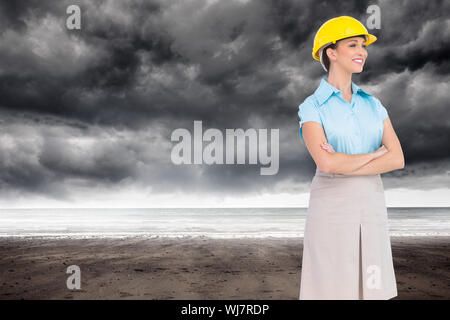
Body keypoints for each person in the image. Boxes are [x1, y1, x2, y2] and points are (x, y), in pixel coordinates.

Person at [297, 16, 405, 300]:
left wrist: (347, 162)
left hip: (371, 205)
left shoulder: (374, 104)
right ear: (331, 53)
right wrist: (376, 153)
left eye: (363, 45)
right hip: (330, 210)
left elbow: (397, 159)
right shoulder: (311, 107)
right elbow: (327, 164)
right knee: (331, 290)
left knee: (372, 289)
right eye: (353, 44)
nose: (362, 51)